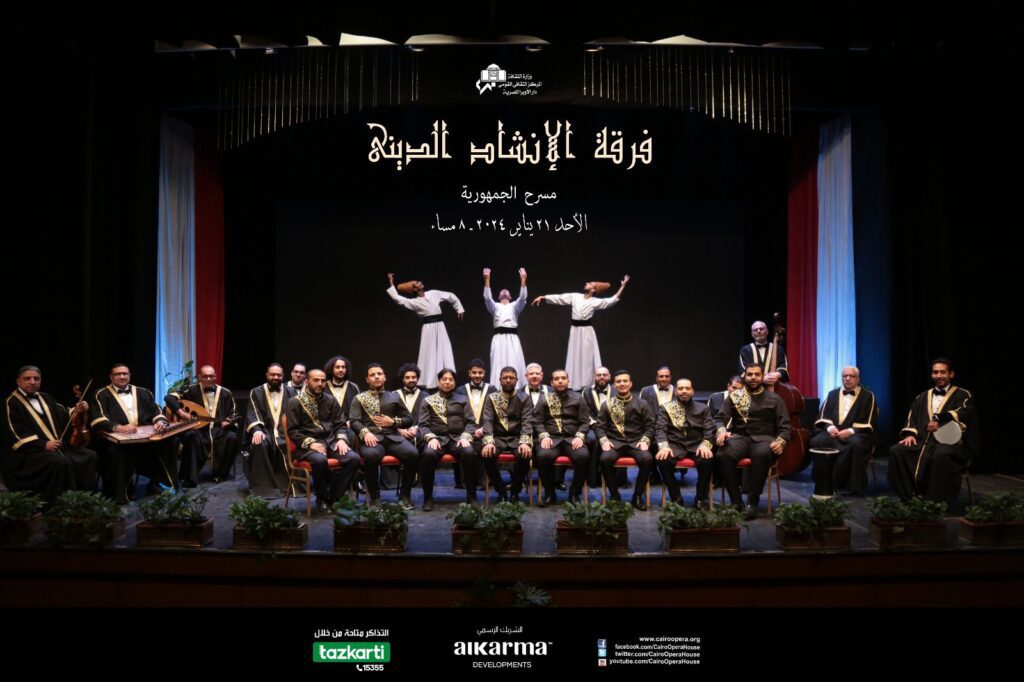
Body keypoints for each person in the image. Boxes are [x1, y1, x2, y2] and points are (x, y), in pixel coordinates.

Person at [2, 365, 97, 503]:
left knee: (89, 455)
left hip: (56, 446)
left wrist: (79, 410)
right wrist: (43, 444)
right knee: (58, 462)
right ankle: (56, 503)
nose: (32, 382)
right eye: (28, 378)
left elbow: (64, 415)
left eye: (36, 379)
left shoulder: (45, 397)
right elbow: (13, 433)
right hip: (29, 452)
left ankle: (84, 500)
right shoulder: (10, 403)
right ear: (18, 381)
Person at [888, 358, 975, 508]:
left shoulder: (963, 395)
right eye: (935, 372)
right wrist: (910, 435)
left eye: (943, 372)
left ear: (951, 374)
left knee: (940, 455)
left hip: (951, 443)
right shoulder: (922, 397)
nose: (939, 376)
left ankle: (935, 502)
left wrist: (940, 418)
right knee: (897, 450)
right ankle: (909, 497)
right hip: (923, 441)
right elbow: (912, 419)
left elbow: (965, 413)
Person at [90, 363, 177, 503]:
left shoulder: (143, 392)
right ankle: (123, 493)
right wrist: (118, 427)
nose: (122, 376)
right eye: (118, 374)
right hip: (116, 440)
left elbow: (156, 411)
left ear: (130, 376)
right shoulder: (101, 394)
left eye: (125, 373)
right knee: (116, 451)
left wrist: (160, 421)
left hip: (143, 437)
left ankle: (159, 483)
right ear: (111, 377)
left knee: (168, 442)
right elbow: (97, 418)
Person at [714, 365, 791, 518]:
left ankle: (752, 502)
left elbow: (785, 426)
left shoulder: (774, 398)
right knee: (723, 454)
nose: (753, 377)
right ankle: (736, 502)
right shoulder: (735, 396)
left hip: (764, 439)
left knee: (762, 454)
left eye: (757, 374)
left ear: (762, 376)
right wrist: (721, 431)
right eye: (750, 374)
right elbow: (720, 418)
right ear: (745, 376)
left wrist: (781, 441)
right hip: (740, 438)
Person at [531, 275, 630, 390]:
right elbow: (560, 298)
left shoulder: (594, 302)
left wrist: (622, 286)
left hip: (587, 331)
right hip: (575, 331)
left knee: (587, 358)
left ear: (593, 290)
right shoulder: (575, 296)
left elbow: (611, 301)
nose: (587, 283)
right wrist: (543, 297)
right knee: (575, 356)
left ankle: (587, 384)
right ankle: (574, 383)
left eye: (590, 284)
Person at [284, 368, 358, 512]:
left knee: (353, 458)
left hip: (331, 442)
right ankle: (322, 497)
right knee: (319, 460)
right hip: (306, 447)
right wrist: (311, 443)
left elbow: (340, 424)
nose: (320, 383)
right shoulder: (295, 402)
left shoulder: (330, 400)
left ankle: (334, 498)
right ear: (307, 382)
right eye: (316, 380)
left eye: (323, 381)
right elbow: (293, 431)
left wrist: (341, 439)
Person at [350, 363, 420, 509]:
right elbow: (354, 421)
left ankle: (405, 496)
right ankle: (375, 498)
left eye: (379, 374)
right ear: (367, 379)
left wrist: (393, 422)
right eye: (372, 375)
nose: (376, 377)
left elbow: (409, 419)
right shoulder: (359, 398)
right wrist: (365, 433)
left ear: (385, 377)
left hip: (392, 437)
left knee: (413, 454)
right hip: (372, 438)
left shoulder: (394, 396)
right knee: (371, 456)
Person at [386, 272, 465, 389]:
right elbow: (398, 299)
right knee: (430, 353)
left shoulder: (433, 293)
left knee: (444, 350)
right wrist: (391, 283)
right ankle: (431, 382)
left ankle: (448, 378)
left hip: (440, 326)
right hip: (428, 329)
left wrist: (459, 309)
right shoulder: (414, 302)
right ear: (414, 288)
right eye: (417, 283)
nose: (421, 283)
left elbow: (451, 296)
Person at [808, 366, 878, 498]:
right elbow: (823, 415)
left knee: (855, 444)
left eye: (851, 376)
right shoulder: (832, 394)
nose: (847, 378)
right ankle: (823, 482)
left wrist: (851, 431)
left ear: (858, 379)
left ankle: (848, 486)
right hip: (833, 432)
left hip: (857, 433)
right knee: (818, 440)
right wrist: (830, 427)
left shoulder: (868, 396)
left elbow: (870, 420)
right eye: (845, 376)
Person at [165, 365, 239, 486]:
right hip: (198, 429)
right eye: (205, 376)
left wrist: (228, 421)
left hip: (218, 430)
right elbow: (169, 398)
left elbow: (234, 413)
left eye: (211, 376)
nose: (208, 379)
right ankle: (190, 478)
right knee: (191, 436)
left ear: (215, 377)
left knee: (232, 437)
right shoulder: (190, 390)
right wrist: (182, 413)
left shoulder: (226, 393)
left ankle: (219, 474)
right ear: (200, 377)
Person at [418, 369, 479, 510]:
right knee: (427, 454)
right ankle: (428, 498)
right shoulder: (428, 400)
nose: (447, 382)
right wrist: (430, 438)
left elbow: (471, 422)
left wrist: (466, 436)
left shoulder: (463, 400)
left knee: (470, 453)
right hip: (437, 439)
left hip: (457, 439)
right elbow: (423, 425)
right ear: (439, 381)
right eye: (444, 379)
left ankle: (472, 497)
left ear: (454, 382)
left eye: (450, 379)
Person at [530, 369, 591, 505]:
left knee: (583, 456)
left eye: (563, 378)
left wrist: (580, 436)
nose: (560, 381)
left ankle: (574, 494)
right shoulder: (544, 398)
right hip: (551, 438)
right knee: (543, 456)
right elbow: (537, 421)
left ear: (568, 381)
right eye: (557, 379)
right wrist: (543, 435)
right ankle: (549, 493)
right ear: (552, 383)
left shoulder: (578, 398)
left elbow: (585, 422)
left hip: (572, 439)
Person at [595, 370, 654, 510]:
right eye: (619, 381)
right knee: (604, 459)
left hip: (636, 442)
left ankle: (637, 495)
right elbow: (600, 426)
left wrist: (645, 439)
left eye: (625, 381)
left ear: (630, 384)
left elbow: (650, 425)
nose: (622, 384)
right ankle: (614, 496)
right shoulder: (606, 404)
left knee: (647, 459)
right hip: (615, 442)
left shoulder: (642, 404)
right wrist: (604, 440)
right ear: (614, 385)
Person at [655, 378, 715, 507]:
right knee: (662, 460)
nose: (684, 391)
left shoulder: (703, 408)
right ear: (676, 391)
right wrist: (664, 446)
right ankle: (676, 497)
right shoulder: (666, 408)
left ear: (692, 391)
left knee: (707, 460)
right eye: (681, 388)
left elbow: (709, 429)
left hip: (697, 446)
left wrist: (705, 445)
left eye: (687, 388)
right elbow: (660, 429)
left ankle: (700, 498)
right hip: (674, 446)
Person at [480, 367, 534, 503]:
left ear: (516, 380)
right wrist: (488, 441)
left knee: (525, 454)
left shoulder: (525, 398)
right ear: (500, 380)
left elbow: (527, 421)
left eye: (511, 378)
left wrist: (525, 442)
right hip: (497, 438)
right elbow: (487, 420)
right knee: (487, 455)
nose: (508, 380)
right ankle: (501, 491)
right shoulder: (491, 398)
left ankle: (515, 492)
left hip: (517, 438)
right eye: (505, 378)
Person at [243, 363, 291, 497]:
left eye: (278, 375)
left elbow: (295, 414)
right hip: (265, 431)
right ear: (267, 375)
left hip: (284, 432)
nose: (275, 377)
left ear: (283, 376)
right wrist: (257, 430)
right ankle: (264, 488)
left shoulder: (291, 392)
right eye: (272, 374)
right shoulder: (256, 392)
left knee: (288, 444)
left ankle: (288, 485)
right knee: (260, 444)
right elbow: (253, 412)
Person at [453, 358, 496, 489]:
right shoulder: (460, 390)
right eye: (474, 372)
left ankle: (485, 480)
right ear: (469, 373)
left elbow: (496, 413)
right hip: (465, 429)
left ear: (484, 373)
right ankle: (464, 481)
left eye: (480, 372)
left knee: (487, 445)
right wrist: (469, 431)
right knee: (463, 446)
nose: (477, 375)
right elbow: (457, 414)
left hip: (485, 429)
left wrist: (484, 429)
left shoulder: (492, 389)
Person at [483, 267, 529, 388]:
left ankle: (517, 388)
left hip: (512, 338)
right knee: (497, 362)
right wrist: (487, 279)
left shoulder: (515, 306)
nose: (504, 292)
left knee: (515, 361)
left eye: (506, 292)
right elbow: (487, 298)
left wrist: (523, 279)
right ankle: (496, 388)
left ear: (510, 296)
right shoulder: (495, 307)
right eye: (502, 293)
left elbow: (522, 298)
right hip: (498, 338)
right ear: (498, 297)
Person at [738, 320, 789, 385]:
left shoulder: (778, 349)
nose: (758, 331)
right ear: (752, 334)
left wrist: (778, 374)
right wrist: (761, 379)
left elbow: (783, 367)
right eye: (755, 330)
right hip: (752, 388)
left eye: (761, 329)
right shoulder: (745, 350)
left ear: (767, 332)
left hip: (774, 387)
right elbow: (742, 371)